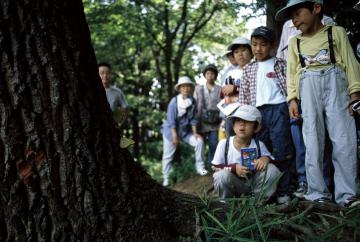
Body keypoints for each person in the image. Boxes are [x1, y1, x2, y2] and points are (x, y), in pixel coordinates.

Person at [276, 0, 360, 207]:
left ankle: (347, 195)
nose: (295, 20)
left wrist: (355, 93)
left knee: (343, 139)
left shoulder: (336, 32)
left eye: (298, 13)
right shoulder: (295, 42)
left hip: (336, 85)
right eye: (291, 17)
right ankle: (317, 193)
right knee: (312, 140)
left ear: (316, 8)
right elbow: (292, 73)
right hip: (307, 87)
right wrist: (292, 99)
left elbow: (350, 62)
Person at [276, 11, 335, 199]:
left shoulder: (328, 22)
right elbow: (283, 61)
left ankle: (325, 182)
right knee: (301, 138)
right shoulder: (288, 25)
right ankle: (304, 181)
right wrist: (290, 96)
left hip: (324, 87)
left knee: (323, 136)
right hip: (296, 89)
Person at [239, 26, 294, 204]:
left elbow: (289, 89)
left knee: (281, 149)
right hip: (256, 113)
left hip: (278, 109)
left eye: (263, 45)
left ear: (272, 45)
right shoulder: (248, 69)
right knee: (258, 149)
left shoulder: (280, 64)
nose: (258, 49)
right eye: (254, 44)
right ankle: (257, 191)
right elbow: (244, 96)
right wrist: (245, 117)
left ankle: (283, 191)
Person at [211, 105, 281, 200]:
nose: (242, 124)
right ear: (233, 125)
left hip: (254, 185)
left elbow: (271, 161)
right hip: (234, 185)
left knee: (273, 170)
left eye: (247, 121)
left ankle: (258, 202)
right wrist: (234, 168)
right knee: (221, 176)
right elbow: (215, 167)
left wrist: (265, 159)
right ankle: (228, 203)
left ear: (256, 127)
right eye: (238, 120)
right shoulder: (224, 144)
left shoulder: (258, 145)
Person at [161, 77, 208, 186]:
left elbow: (193, 119)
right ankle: (166, 178)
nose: (186, 88)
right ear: (179, 88)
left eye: (188, 86)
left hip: (185, 132)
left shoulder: (192, 101)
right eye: (183, 86)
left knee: (199, 142)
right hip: (171, 132)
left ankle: (200, 167)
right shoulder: (174, 101)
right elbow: (171, 120)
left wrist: (195, 133)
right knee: (168, 156)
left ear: (190, 88)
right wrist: (174, 136)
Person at [221, 37, 253, 137]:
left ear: (251, 52)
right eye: (236, 52)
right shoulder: (230, 73)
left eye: (244, 50)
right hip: (232, 113)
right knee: (231, 142)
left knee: (250, 143)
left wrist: (236, 88)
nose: (240, 54)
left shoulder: (256, 68)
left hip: (250, 113)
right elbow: (223, 94)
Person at [194, 64, 222, 163]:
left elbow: (223, 105)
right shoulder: (198, 88)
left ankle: (212, 165)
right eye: (208, 73)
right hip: (200, 121)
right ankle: (200, 166)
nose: (210, 75)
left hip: (215, 122)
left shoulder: (220, 89)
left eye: (212, 73)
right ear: (205, 75)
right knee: (199, 144)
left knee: (213, 143)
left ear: (215, 75)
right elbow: (194, 104)